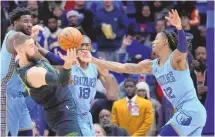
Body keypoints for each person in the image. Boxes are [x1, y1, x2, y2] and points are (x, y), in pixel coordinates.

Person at [78, 9, 207, 136]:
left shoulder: (175, 60)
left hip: (190, 110)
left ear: (165, 42)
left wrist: (179, 27)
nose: (153, 42)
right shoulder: (151, 65)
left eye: (156, 39)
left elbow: (183, 47)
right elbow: (123, 67)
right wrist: (93, 60)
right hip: (188, 112)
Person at [38, 35, 119, 136]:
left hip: (86, 116)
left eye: (87, 45)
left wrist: (106, 74)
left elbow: (113, 95)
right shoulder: (68, 64)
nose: (84, 48)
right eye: (81, 45)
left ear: (91, 48)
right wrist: (37, 46)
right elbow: (49, 59)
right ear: (75, 48)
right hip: (70, 115)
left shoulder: (95, 67)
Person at [14, 33, 82, 136]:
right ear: (21, 51)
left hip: (64, 105)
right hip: (61, 112)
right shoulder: (33, 73)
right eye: (32, 46)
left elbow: (52, 58)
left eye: (34, 44)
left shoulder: (25, 57)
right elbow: (62, 80)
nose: (36, 48)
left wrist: (35, 42)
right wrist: (67, 64)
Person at [1, 7, 34, 136]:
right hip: (4, 94)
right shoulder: (14, 35)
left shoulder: (26, 40)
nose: (30, 24)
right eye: (25, 21)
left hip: (18, 96)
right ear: (15, 23)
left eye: (30, 21)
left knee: (27, 132)